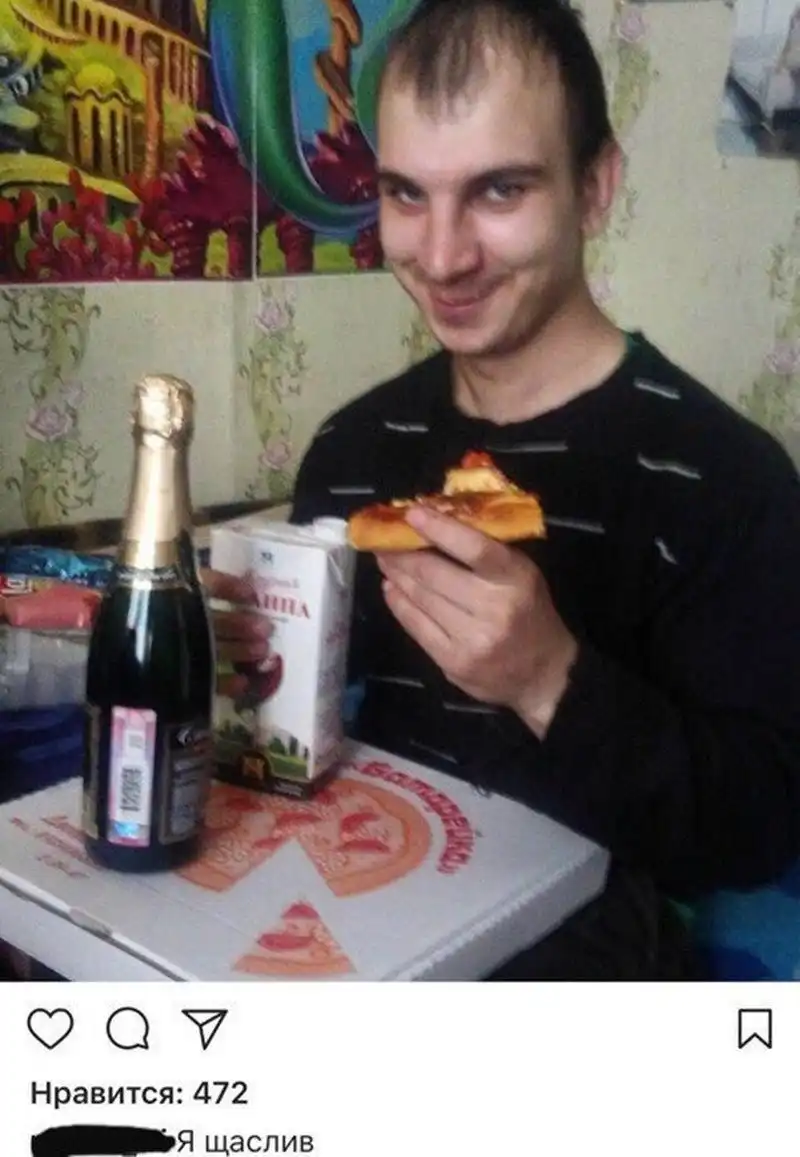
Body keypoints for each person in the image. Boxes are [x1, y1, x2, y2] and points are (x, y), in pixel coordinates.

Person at [207, 0, 800, 979]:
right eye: (406, 194)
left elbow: (757, 828)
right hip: (338, 917)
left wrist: (547, 678)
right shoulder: (353, 450)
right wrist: (246, 663)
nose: (442, 256)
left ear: (595, 187)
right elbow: (295, 733)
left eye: (498, 190)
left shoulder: (725, 481)